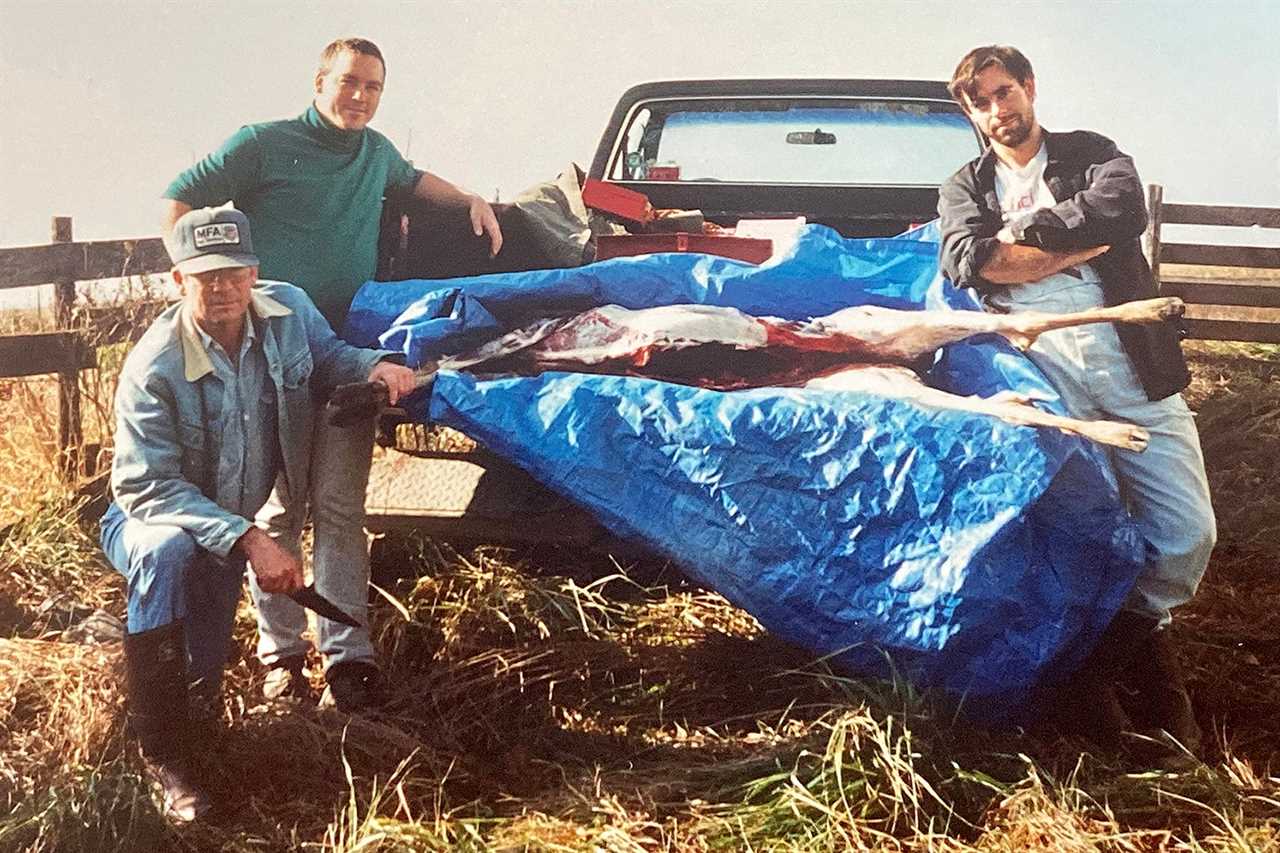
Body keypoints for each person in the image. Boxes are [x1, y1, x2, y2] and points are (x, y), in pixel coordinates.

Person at [159, 37, 502, 711]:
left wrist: (470, 200)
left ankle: (348, 658)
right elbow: (179, 199)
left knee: (343, 507)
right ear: (319, 83)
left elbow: (414, 180)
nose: (360, 97)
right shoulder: (261, 143)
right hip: (270, 352)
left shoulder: (374, 153)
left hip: (349, 355)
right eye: (348, 83)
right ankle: (281, 656)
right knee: (280, 507)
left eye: (373, 87)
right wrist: (191, 289)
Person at [937, 45, 1216, 755]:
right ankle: (1138, 696)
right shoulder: (964, 185)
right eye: (982, 102)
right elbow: (968, 261)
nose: (999, 111)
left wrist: (1029, 236)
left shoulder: (1090, 153)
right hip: (1047, 376)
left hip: (1132, 363)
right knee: (1086, 534)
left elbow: (1119, 206)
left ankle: (1093, 665)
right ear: (969, 112)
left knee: (1187, 533)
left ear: (1029, 87)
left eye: (1006, 92)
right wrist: (1076, 244)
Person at [101, 207, 415, 821]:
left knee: (204, 688)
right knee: (167, 553)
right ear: (176, 280)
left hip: (224, 531)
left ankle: (198, 733)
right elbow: (143, 485)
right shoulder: (154, 365)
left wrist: (373, 366)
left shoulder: (288, 312)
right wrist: (248, 536)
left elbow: (329, 359)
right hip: (150, 518)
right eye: (204, 276)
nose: (220, 289)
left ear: (254, 273)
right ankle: (164, 759)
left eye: (233, 273)